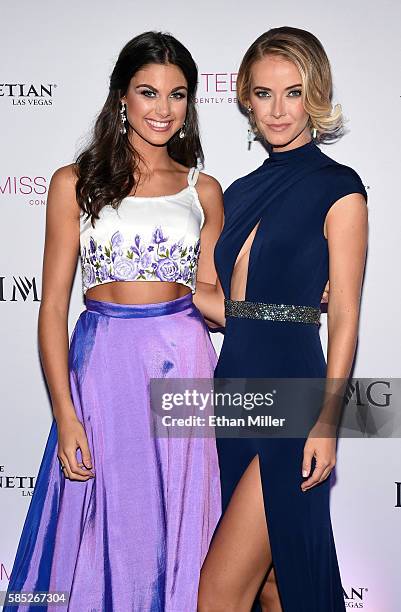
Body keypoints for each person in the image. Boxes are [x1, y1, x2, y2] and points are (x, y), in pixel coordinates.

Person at [4, 31, 223, 612]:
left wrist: (295, 307)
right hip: (104, 366)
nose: (162, 108)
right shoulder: (72, 183)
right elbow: (53, 309)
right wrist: (65, 412)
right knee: (108, 523)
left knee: (183, 522)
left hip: (186, 365)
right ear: (121, 96)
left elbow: (214, 299)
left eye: (177, 95)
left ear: (190, 103)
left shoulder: (203, 190)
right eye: (148, 92)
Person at [195, 26, 368, 612]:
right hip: (234, 388)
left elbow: (344, 314)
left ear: (313, 94)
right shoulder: (237, 192)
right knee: (271, 584)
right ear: (246, 97)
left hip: (292, 392)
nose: (277, 109)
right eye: (263, 94)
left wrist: (327, 420)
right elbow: (231, 308)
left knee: (219, 591)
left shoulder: (339, 189)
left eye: (292, 92)